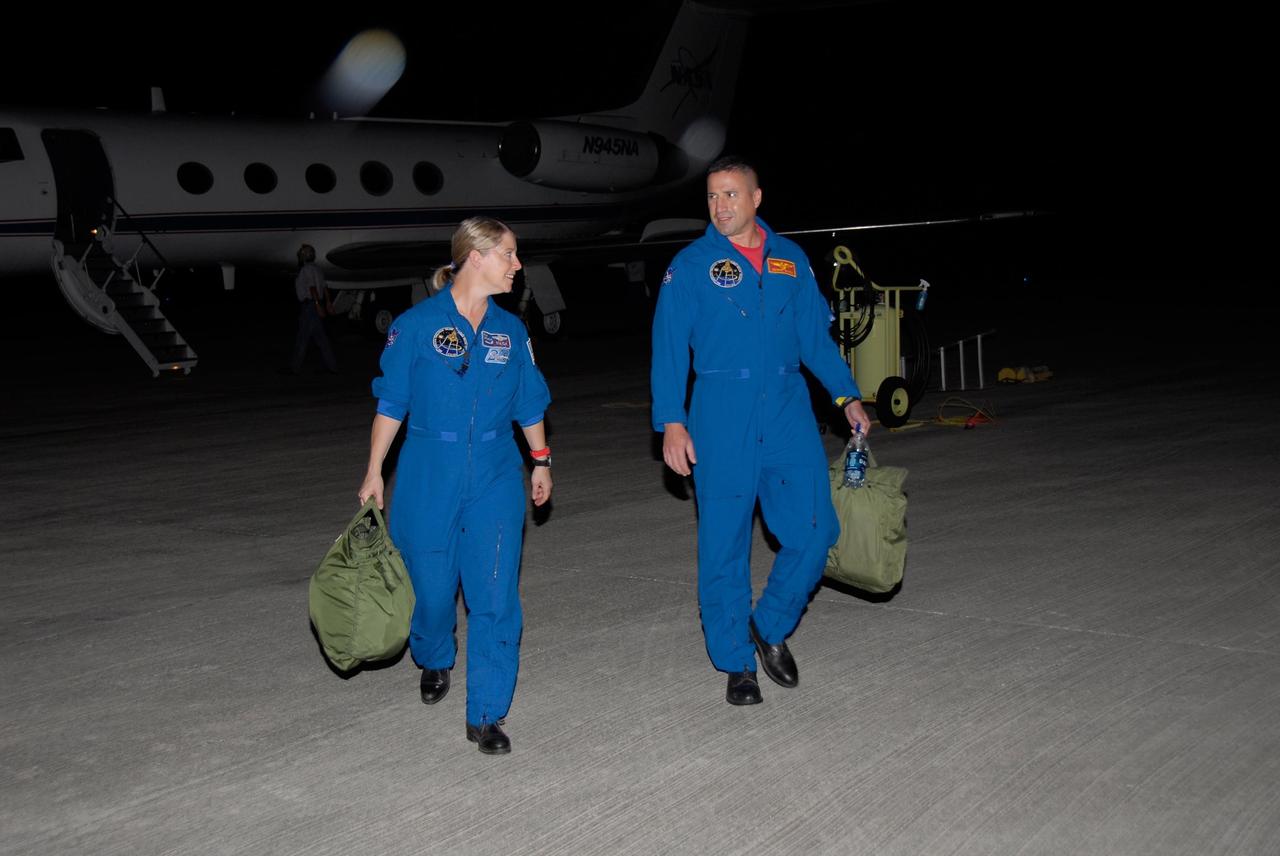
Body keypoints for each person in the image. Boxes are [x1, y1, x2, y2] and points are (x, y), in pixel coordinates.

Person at [650, 156, 872, 705]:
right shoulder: (691, 264)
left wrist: (846, 396)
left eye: (730, 195)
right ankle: (736, 664)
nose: (720, 206)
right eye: (711, 197)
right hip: (720, 410)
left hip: (788, 409)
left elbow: (817, 342)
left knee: (816, 530)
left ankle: (768, 626)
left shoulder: (791, 261)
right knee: (724, 545)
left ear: (756, 199)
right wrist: (671, 421)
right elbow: (669, 348)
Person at [358, 217, 552, 755]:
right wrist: (375, 469)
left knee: (494, 595)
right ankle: (435, 652)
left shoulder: (511, 332)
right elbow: (392, 402)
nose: (517, 265)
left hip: (494, 471)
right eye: (509, 255)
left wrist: (540, 460)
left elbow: (529, 402)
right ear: (475, 256)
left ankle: (486, 713)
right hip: (427, 470)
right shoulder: (415, 326)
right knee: (433, 592)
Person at [289, 244, 338, 374]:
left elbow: (312, 288)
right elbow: (324, 288)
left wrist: (318, 305)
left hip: (309, 306)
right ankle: (332, 366)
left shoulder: (306, 270)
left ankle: (294, 368)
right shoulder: (318, 269)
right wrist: (327, 303)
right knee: (321, 338)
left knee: (302, 338)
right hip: (314, 305)